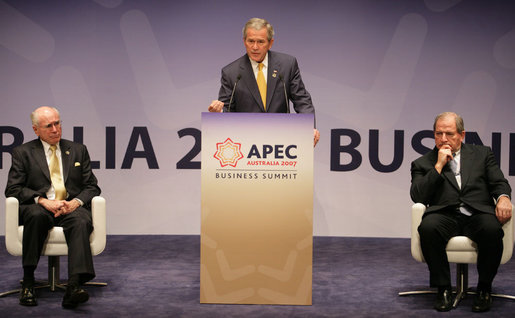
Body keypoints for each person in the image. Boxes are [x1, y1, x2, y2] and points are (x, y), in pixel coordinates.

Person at [410, 112, 512, 312]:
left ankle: (484, 288)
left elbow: (498, 182)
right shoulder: (423, 163)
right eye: (438, 134)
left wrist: (503, 198)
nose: (443, 139)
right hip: (444, 214)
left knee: (491, 229)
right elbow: (418, 196)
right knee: (428, 228)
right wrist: (438, 166)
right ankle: (444, 289)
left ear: (462, 135)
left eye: (449, 133)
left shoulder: (482, 154)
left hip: (477, 212)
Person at [5, 106, 101, 309]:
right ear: (36, 129)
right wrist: (42, 200)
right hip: (40, 207)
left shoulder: (77, 150)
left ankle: (73, 287)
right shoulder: (23, 153)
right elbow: (13, 189)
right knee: (36, 216)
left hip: (69, 207)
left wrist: (75, 202)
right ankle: (28, 282)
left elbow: (92, 186)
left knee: (82, 220)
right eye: (49, 126)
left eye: (58, 123)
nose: (56, 129)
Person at [208, 17, 320, 146]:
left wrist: (308, 128)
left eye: (260, 42)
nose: (255, 47)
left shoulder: (287, 65)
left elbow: (302, 100)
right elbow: (227, 110)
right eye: (251, 41)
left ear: (270, 43)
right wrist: (219, 113)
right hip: (246, 144)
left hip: (282, 143)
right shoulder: (231, 73)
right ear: (244, 41)